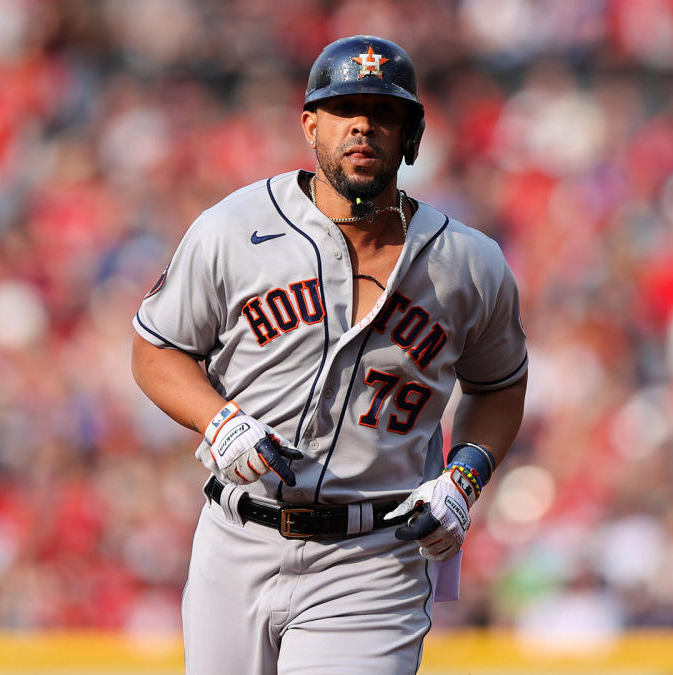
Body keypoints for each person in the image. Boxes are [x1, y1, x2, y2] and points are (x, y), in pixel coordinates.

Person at [130, 35, 527, 674]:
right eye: (345, 109)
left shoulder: (469, 263)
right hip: (237, 541)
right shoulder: (233, 228)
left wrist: (467, 472)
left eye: (384, 111)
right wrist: (218, 421)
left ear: (412, 134)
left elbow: (500, 385)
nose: (363, 126)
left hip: (373, 557)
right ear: (311, 125)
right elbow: (157, 351)